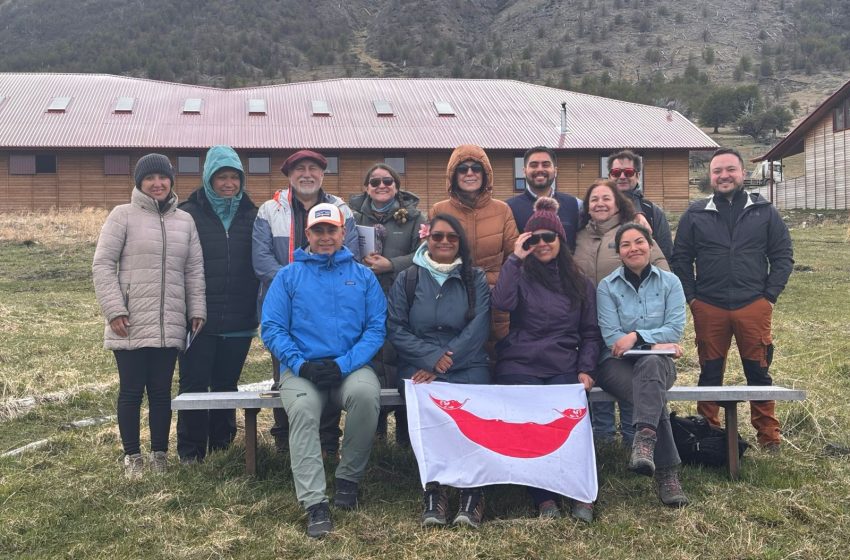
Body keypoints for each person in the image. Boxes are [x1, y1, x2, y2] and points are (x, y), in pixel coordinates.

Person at [261, 202, 385, 538]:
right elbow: (271, 328)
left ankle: (348, 479)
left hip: (350, 366)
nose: (326, 237)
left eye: (332, 229)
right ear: (308, 234)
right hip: (303, 369)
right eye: (319, 231)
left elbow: (375, 328)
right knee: (301, 410)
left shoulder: (363, 276)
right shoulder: (288, 276)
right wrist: (301, 364)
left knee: (365, 395)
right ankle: (315, 502)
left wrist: (344, 363)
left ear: (343, 232)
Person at [671, 148, 793, 451]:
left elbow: (783, 257)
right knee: (710, 371)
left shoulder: (764, 211)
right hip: (709, 305)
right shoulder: (695, 214)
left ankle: (768, 436)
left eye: (730, 170)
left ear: (742, 174)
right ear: (710, 176)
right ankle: (709, 431)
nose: (724, 176)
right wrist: (692, 298)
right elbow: (681, 260)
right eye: (717, 171)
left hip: (753, 303)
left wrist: (769, 297)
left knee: (758, 369)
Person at [92, 153, 206, 479]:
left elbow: (194, 270)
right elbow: (102, 265)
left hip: (169, 320)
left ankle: (159, 455)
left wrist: (196, 308)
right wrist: (114, 309)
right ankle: (132, 457)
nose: (157, 184)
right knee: (130, 391)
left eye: (163, 177)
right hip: (129, 321)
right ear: (140, 183)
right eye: (150, 178)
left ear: (171, 181)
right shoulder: (122, 216)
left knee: (160, 392)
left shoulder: (184, 221)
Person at [491, 197, 601, 522]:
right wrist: (514, 259)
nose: (541, 244)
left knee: (570, 424)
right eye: (533, 238)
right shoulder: (520, 275)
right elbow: (501, 302)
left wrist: (587, 368)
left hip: (562, 364)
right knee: (530, 427)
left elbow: (591, 332)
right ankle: (543, 497)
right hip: (520, 362)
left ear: (560, 240)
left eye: (548, 237)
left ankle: (582, 492)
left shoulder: (581, 283)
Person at [253, 150, 361, 455]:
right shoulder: (269, 210)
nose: (307, 174)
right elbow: (261, 261)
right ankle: (284, 440)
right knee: (286, 375)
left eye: (313, 169)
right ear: (289, 175)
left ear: (323, 175)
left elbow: (349, 254)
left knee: (326, 372)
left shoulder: (341, 210)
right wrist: (296, 289)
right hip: (284, 310)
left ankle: (327, 442)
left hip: (331, 310)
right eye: (300, 169)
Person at [387, 214, 491, 528]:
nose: (444, 242)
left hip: (467, 362)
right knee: (430, 415)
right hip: (419, 364)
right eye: (437, 236)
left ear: (461, 242)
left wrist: (447, 360)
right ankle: (434, 490)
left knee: (472, 416)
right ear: (426, 240)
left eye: (452, 237)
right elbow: (396, 326)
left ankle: (473, 492)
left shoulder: (475, 278)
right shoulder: (408, 278)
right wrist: (431, 358)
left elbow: (480, 325)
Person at [595, 222, 689, 507]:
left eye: (639, 242)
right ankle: (667, 474)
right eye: (626, 245)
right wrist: (655, 344)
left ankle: (645, 441)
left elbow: (675, 330)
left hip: (658, 365)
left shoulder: (670, 283)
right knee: (653, 394)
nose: (633, 248)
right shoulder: (606, 287)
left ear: (650, 245)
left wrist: (638, 337)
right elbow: (612, 338)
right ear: (619, 253)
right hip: (614, 365)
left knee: (650, 365)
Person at [176, 146, 259, 464]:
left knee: (226, 383)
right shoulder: (188, 214)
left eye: (234, 177)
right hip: (199, 317)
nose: (228, 183)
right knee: (194, 384)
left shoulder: (252, 215)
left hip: (240, 317)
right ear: (209, 178)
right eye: (221, 177)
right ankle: (190, 451)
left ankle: (222, 445)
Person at [574, 179, 666, 445]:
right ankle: (602, 438)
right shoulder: (579, 235)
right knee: (598, 370)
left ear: (617, 202)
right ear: (587, 206)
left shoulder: (632, 233)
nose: (600, 204)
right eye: (594, 199)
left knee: (629, 371)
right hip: (588, 322)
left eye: (606, 198)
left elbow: (660, 266)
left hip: (629, 322)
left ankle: (631, 435)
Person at [350, 163, 426, 445]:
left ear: (396, 185)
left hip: (403, 297)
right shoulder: (353, 217)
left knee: (401, 358)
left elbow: (425, 253)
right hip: (364, 299)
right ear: (366, 187)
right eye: (375, 182)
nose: (381, 186)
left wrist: (390, 265)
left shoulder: (416, 218)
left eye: (387, 181)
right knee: (372, 360)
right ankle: (375, 434)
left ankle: (406, 436)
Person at [430, 144, 518, 343]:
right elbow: (428, 256)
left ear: (485, 173)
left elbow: (514, 257)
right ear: (453, 174)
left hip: (494, 297)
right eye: (462, 169)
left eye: (476, 168)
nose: (469, 173)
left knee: (495, 355)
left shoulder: (502, 210)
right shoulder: (439, 210)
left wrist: (502, 289)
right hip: (453, 294)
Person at [506, 146, 581, 251]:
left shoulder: (572, 204)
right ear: (524, 171)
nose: (540, 169)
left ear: (555, 170)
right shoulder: (509, 208)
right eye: (534, 165)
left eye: (546, 165)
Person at [607, 150, 674, 260]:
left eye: (628, 172)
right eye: (616, 172)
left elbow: (666, 253)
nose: (622, 176)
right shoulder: (599, 209)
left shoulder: (652, 212)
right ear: (610, 176)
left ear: (638, 175)